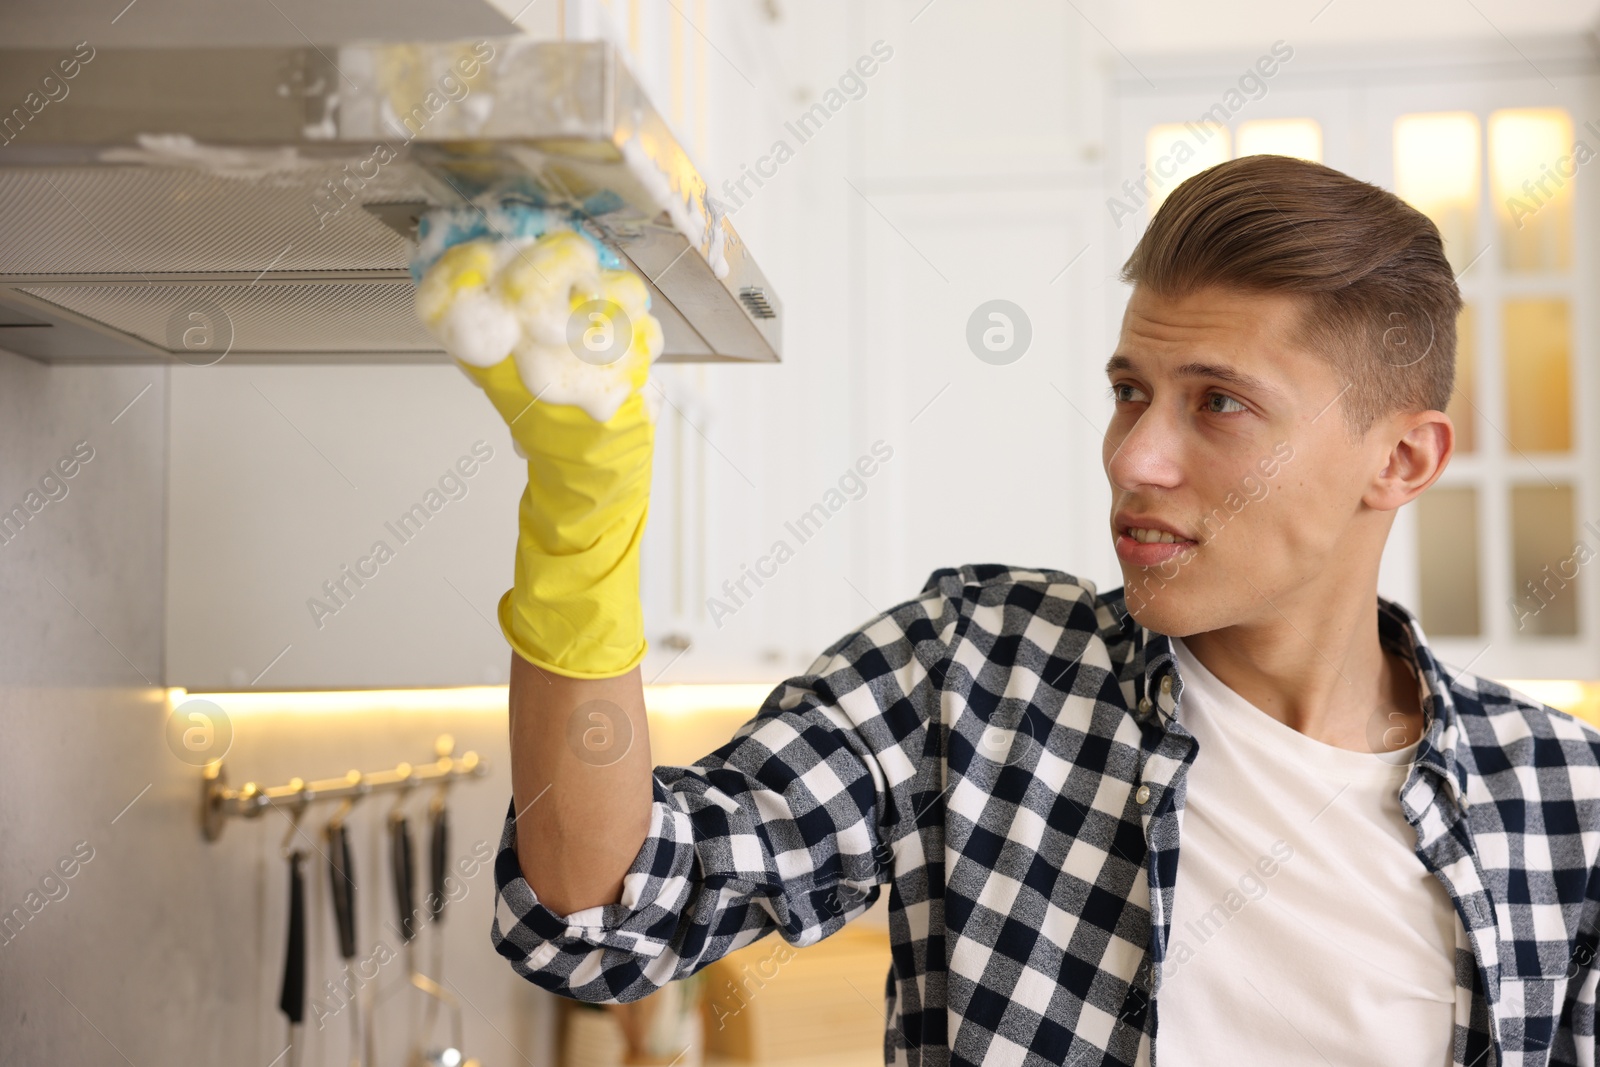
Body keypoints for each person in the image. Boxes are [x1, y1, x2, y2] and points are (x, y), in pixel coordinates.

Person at [422, 155, 1600, 1067]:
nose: (1134, 455)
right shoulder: (975, 674)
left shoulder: (1564, 802)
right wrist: (583, 514)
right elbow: (602, 914)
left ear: (1399, 459)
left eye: (1220, 405)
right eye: (1129, 392)